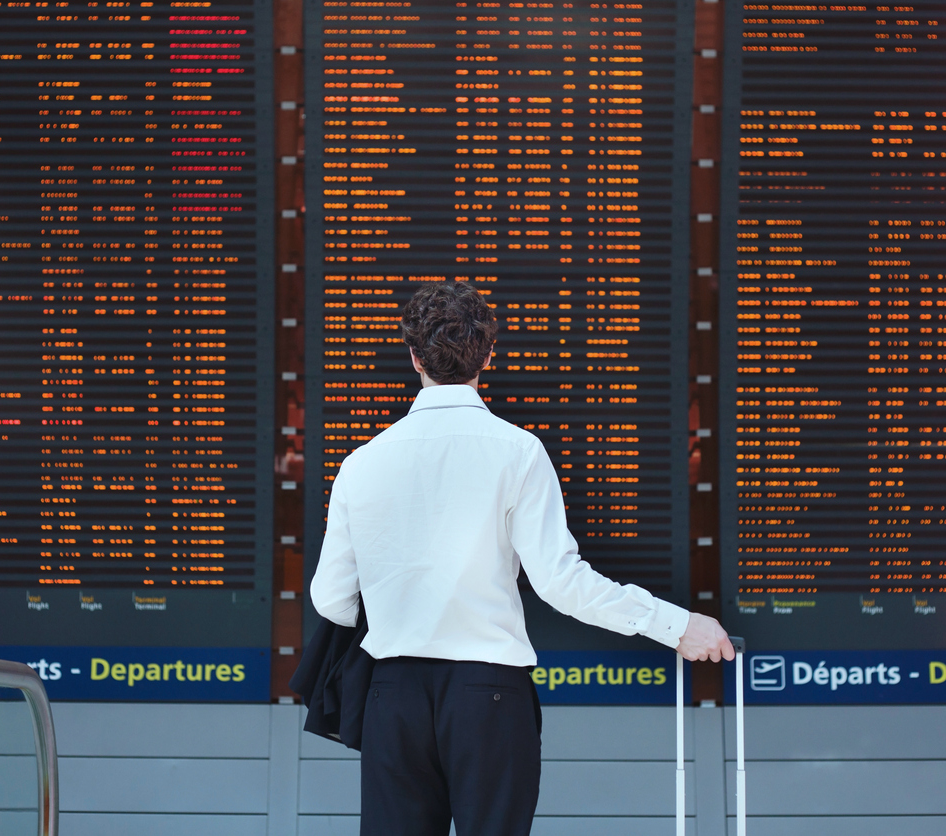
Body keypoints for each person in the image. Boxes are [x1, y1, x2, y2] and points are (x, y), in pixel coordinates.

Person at [311, 281, 735, 836]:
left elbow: (331, 600)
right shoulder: (518, 451)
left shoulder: (361, 464)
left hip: (394, 697)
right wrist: (677, 626)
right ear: (489, 355)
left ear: (413, 356)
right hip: (488, 696)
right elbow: (560, 582)